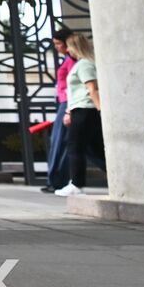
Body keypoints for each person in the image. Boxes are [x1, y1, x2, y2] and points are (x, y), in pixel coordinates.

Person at [56, 33, 104, 197]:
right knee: (96, 149)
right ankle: (119, 176)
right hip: (81, 109)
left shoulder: (84, 65)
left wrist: (100, 110)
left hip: (84, 110)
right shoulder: (83, 64)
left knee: (75, 147)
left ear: (76, 47)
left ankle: (76, 184)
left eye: (69, 46)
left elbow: (92, 89)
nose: (67, 49)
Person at [42, 27, 75, 193]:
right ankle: (57, 179)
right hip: (65, 102)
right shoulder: (67, 59)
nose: (56, 47)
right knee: (62, 141)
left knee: (60, 141)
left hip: (68, 103)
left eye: (58, 44)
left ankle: (57, 180)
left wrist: (69, 109)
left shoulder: (73, 60)